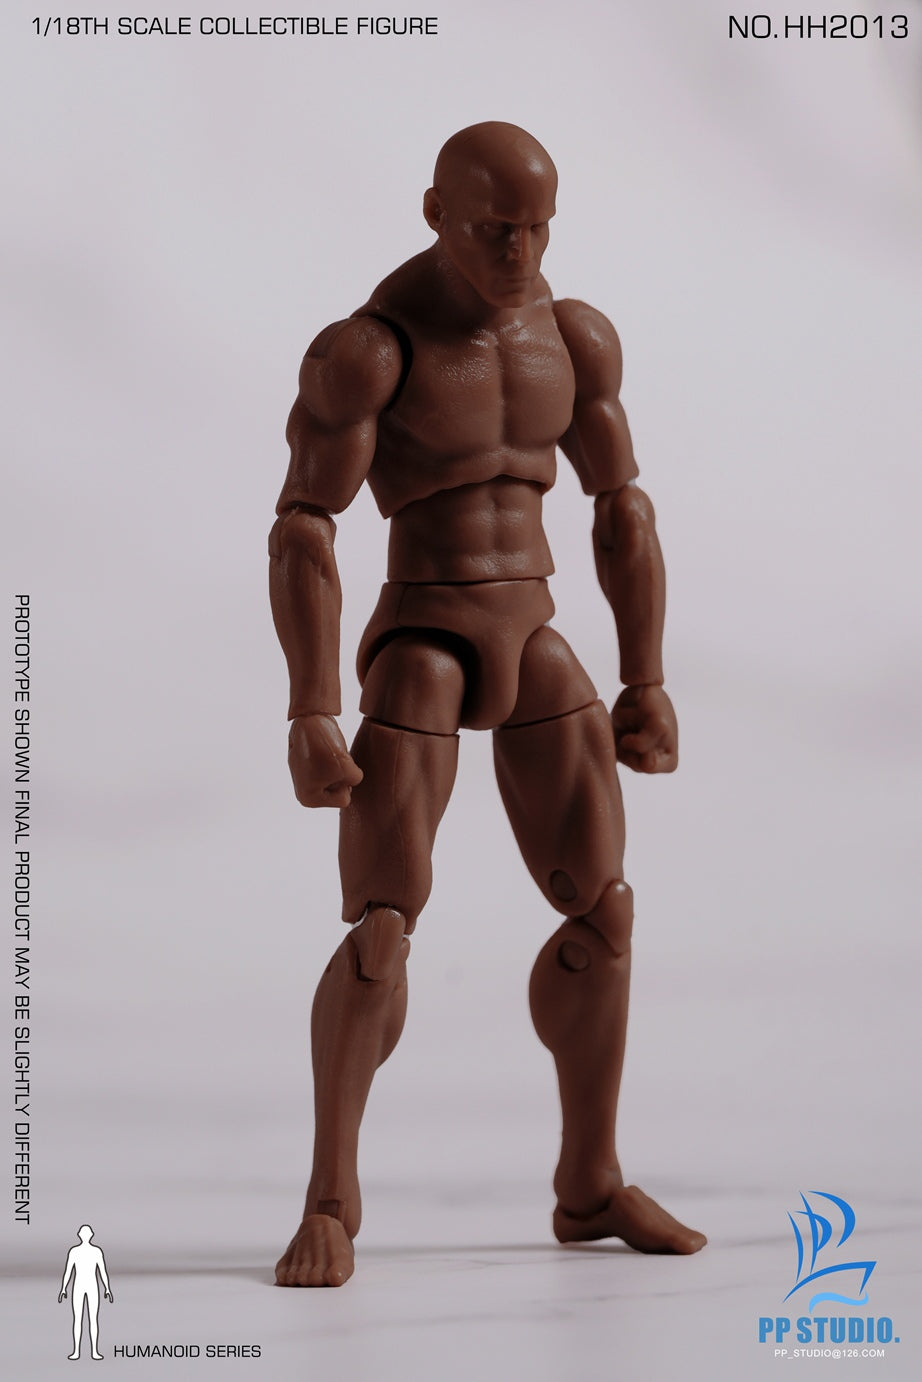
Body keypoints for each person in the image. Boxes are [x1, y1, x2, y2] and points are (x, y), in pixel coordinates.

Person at [270, 122, 706, 1287]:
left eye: (535, 229)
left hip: (535, 628)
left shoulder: (573, 336)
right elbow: (304, 529)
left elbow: (622, 509)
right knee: (381, 926)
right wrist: (312, 709)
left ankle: (589, 1182)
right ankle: (328, 1199)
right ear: (435, 214)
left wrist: (645, 677)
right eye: (492, 229)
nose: (518, 253)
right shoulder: (370, 351)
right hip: (423, 634)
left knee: (604, 912)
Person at [58, 1224, 113, 1359]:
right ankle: (76, 1351)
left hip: (91, 1286)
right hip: (79, 1286)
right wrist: (63, 1288)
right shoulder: (74, 1251)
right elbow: (68, 1271)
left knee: (92, 1319)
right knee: (78, 1319)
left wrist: (107, 1288)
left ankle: (94, 1351)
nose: (85, 1235)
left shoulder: (96, 1251)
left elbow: (102, 1272)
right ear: (81, 1235)